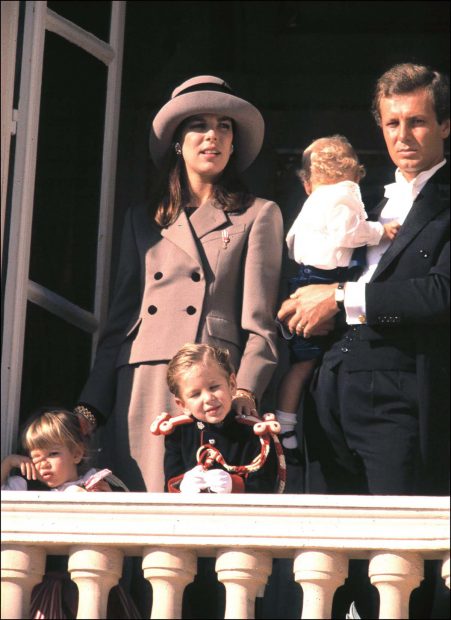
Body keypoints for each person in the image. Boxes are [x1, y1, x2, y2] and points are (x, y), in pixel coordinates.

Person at [75, 75, 284, 492]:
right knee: (141, 511)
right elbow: (120, 323)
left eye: (224, 126)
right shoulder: (143, 218)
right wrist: (90, 406)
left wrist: (244, 391)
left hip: (213, 390)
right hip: (144, 383)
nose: (213, 136)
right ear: (177, 141)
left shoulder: (258, 214)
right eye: (199, 125)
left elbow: (261, 325)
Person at [277, 62, 450, 498]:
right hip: (327, 387)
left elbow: (441, 292)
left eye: (417, 122)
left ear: (445, 126)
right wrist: (299, 310)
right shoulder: (361, 199)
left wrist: (338, 298)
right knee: (321, 549)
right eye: (392, 123)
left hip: (403, 393)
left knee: (394, 551)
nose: (403, 136)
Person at [274, 135, 400, 463]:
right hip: (325, 280)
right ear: (355, 172)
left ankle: (287, 422)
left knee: (304, 364)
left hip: (308, 275)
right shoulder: (344, 194)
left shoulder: (314, 199)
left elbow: (294, 241)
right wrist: (379, 232)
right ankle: (285, 424)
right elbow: (349, 233)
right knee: (310, 362)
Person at [1, 407, 140, 620]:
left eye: (53, 454)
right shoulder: (26, 486)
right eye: (34, 457)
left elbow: (126, 512)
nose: (43, 463)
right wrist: (8, 462)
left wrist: (106, 495)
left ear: (77, 453)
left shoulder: (95, 481)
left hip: (89, 581)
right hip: (44, 585)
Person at [151, 343, 281, 494]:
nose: (208, 398)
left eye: (214, 387)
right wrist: (182, 485)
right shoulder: (179, 433)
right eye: (195, 394)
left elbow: (266, 488)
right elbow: (170, 484)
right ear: (183, 404)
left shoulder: (254, 433)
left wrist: (234, 485)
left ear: (232, 385)